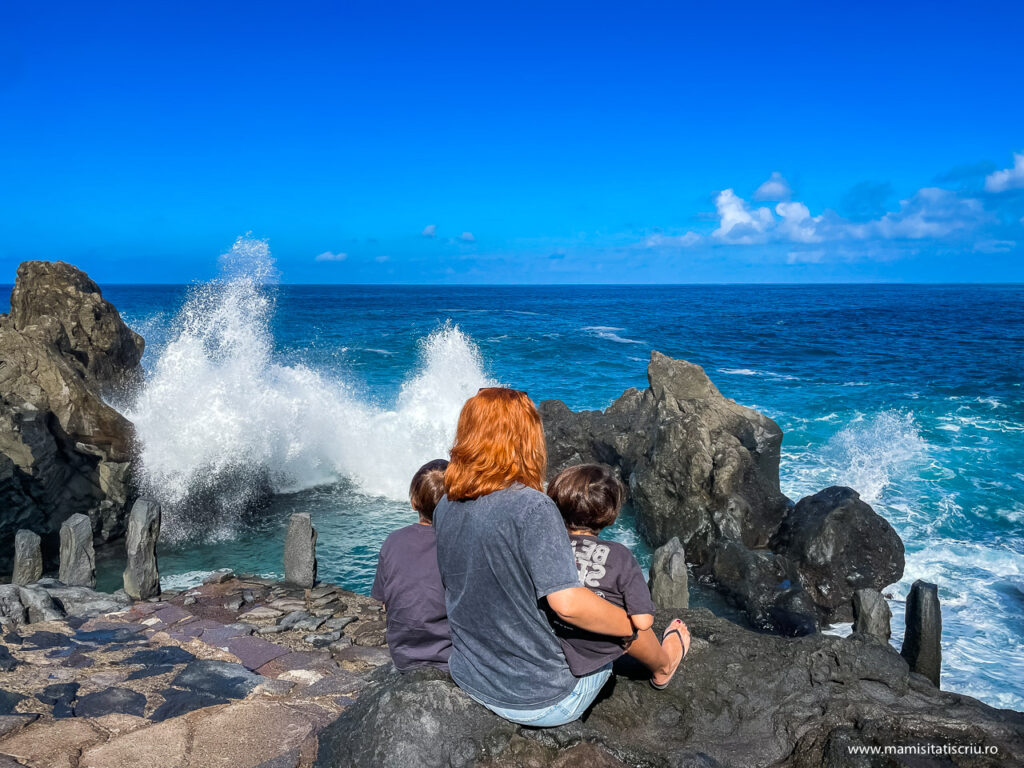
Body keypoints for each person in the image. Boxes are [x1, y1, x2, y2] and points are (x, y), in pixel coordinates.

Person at [433, 387, 634, 727]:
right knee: (612, 646)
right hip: (539, 699)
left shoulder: (444, 505)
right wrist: (625, 625)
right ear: (527, 439)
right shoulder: (533, 507)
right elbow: (567, 603)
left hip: (469, 676)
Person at [546, 463, 689, 689]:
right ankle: (664, 667)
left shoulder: (544, 549)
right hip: (591, 667)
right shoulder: (620, 556)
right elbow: (643, 621)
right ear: (610, 516)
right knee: (629, 620)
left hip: (548, 651)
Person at [370, 458, 452, 672]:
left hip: (403, 656)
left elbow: (386, 604)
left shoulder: (392, 541)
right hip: (451, 658)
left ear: (413, 502)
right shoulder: (460, 543)